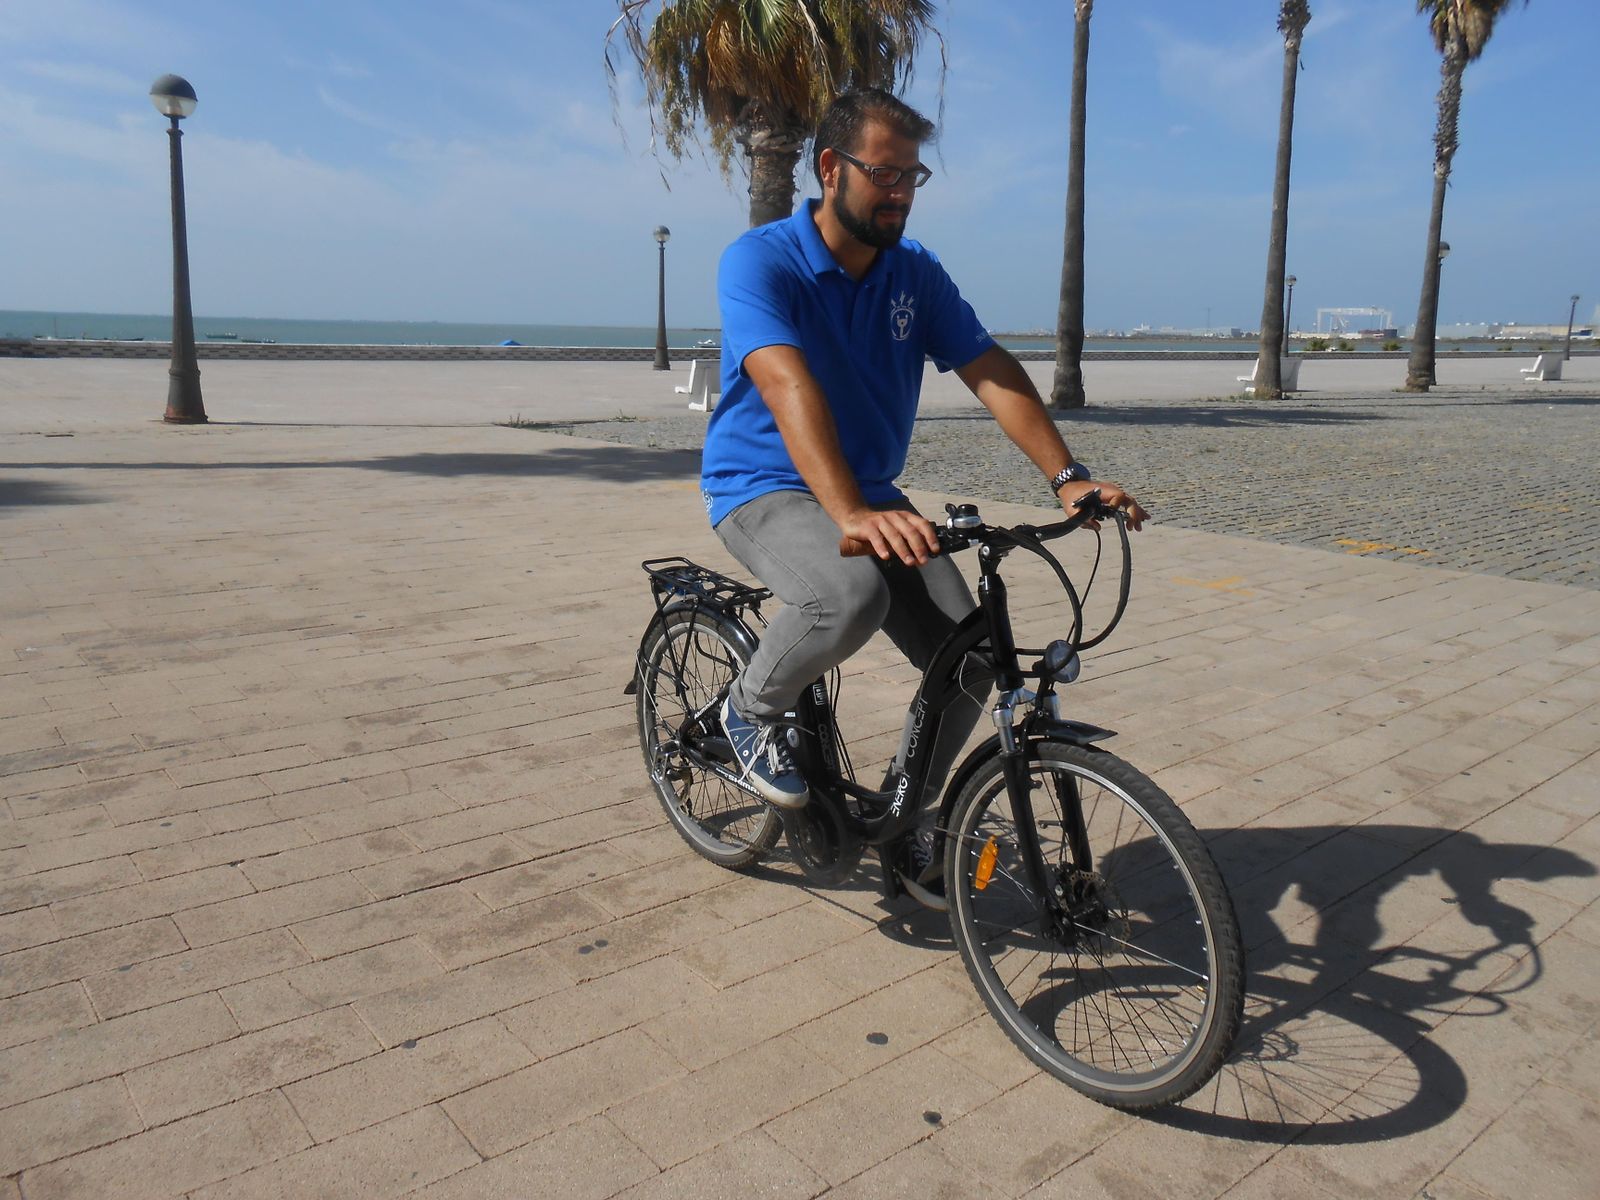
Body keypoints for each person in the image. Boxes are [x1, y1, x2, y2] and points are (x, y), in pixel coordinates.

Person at [701, 89, 1148, 872]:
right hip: (762, 485)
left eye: (914, 176)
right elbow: (786, 385)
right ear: (831, 168)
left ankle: (908, 815)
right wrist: (849, 513)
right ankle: (747, 710)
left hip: (868, 492)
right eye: (886, 174)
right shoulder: (761, 260)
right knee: (848, 597)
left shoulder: (915, 275)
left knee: (971, 657)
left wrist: (1068, 479)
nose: (903, 193)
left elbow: (990, 369)